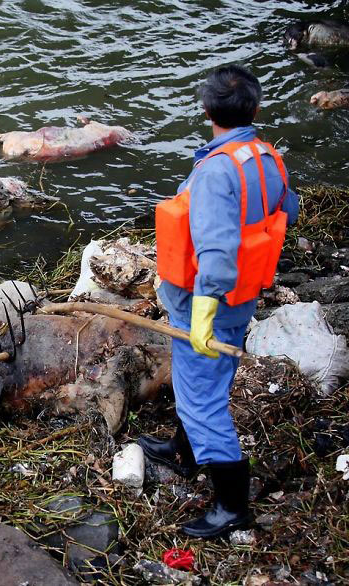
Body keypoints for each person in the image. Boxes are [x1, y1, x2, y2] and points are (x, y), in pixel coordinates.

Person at [145, 64, 300, 538]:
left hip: (205, 302)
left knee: (203, 405)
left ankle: (232, 506)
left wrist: (204, 314)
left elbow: (215, 254)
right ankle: (182, 452)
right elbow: (287, 209)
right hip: (242, 298)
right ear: (253, 108)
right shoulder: (266, 157)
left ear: (208, 109)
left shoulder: (215, 172)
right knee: (202, 388)